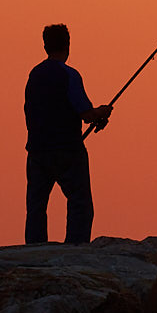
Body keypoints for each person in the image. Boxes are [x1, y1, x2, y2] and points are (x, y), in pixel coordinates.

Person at [24, 23, 112, 245]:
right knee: (79, 203)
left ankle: (34, 249)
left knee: (36, 206)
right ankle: (75, 249)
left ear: (45, 45)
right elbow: (86, 114)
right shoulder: (69, 75)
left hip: (37, 151)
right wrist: (102, 111)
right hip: (68, 151)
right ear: (68, 45)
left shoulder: (34, 75)